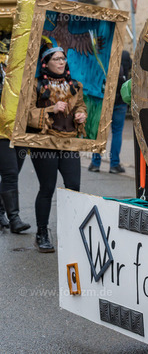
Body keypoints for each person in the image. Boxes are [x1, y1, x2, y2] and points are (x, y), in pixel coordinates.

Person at [27, 40, 86, 252]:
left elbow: (81, 105)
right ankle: (42, 233)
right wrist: (50, 109)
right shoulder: (35, 85)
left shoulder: (75, 85)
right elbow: (26, 114)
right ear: (46, 62)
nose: (61, 62)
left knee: (73, 187)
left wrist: (81, 114)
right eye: (56, 59)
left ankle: (70, 231)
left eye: (63, 58)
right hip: (45, 143)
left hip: (69, 142)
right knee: (47, 188)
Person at [89, 50, 131, 174]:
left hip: (104, 102)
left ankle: (95, 163)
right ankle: (114, 164)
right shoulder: (125, 55)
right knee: (117, 133)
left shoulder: (102, 54)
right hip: (120, 101)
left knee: (100, 133)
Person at [0, 63, 30, 233]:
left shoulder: (25, 62)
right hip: (2, 129)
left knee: (13, 172)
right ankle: (14, 219)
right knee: (10, 173)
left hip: (21, 126)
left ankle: (0, 212)